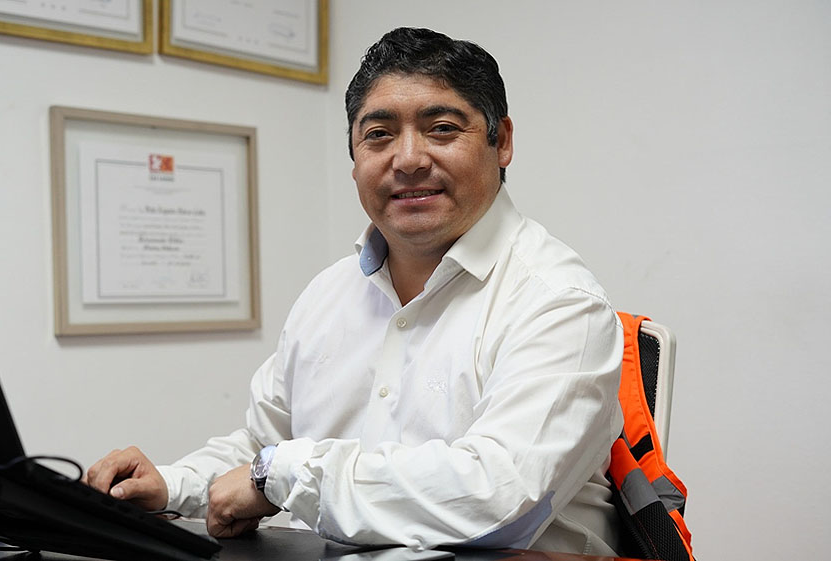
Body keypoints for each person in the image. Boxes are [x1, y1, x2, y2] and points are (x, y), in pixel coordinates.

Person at [84, 27, 624, 556]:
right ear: (354, 157)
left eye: (441, 129)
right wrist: (172, 485)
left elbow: (498, 494)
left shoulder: (559, 301)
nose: (408, 159)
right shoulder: (328, 294)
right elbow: (263, 448)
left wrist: (281, 476)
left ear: (501, 141)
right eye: (379, 134)